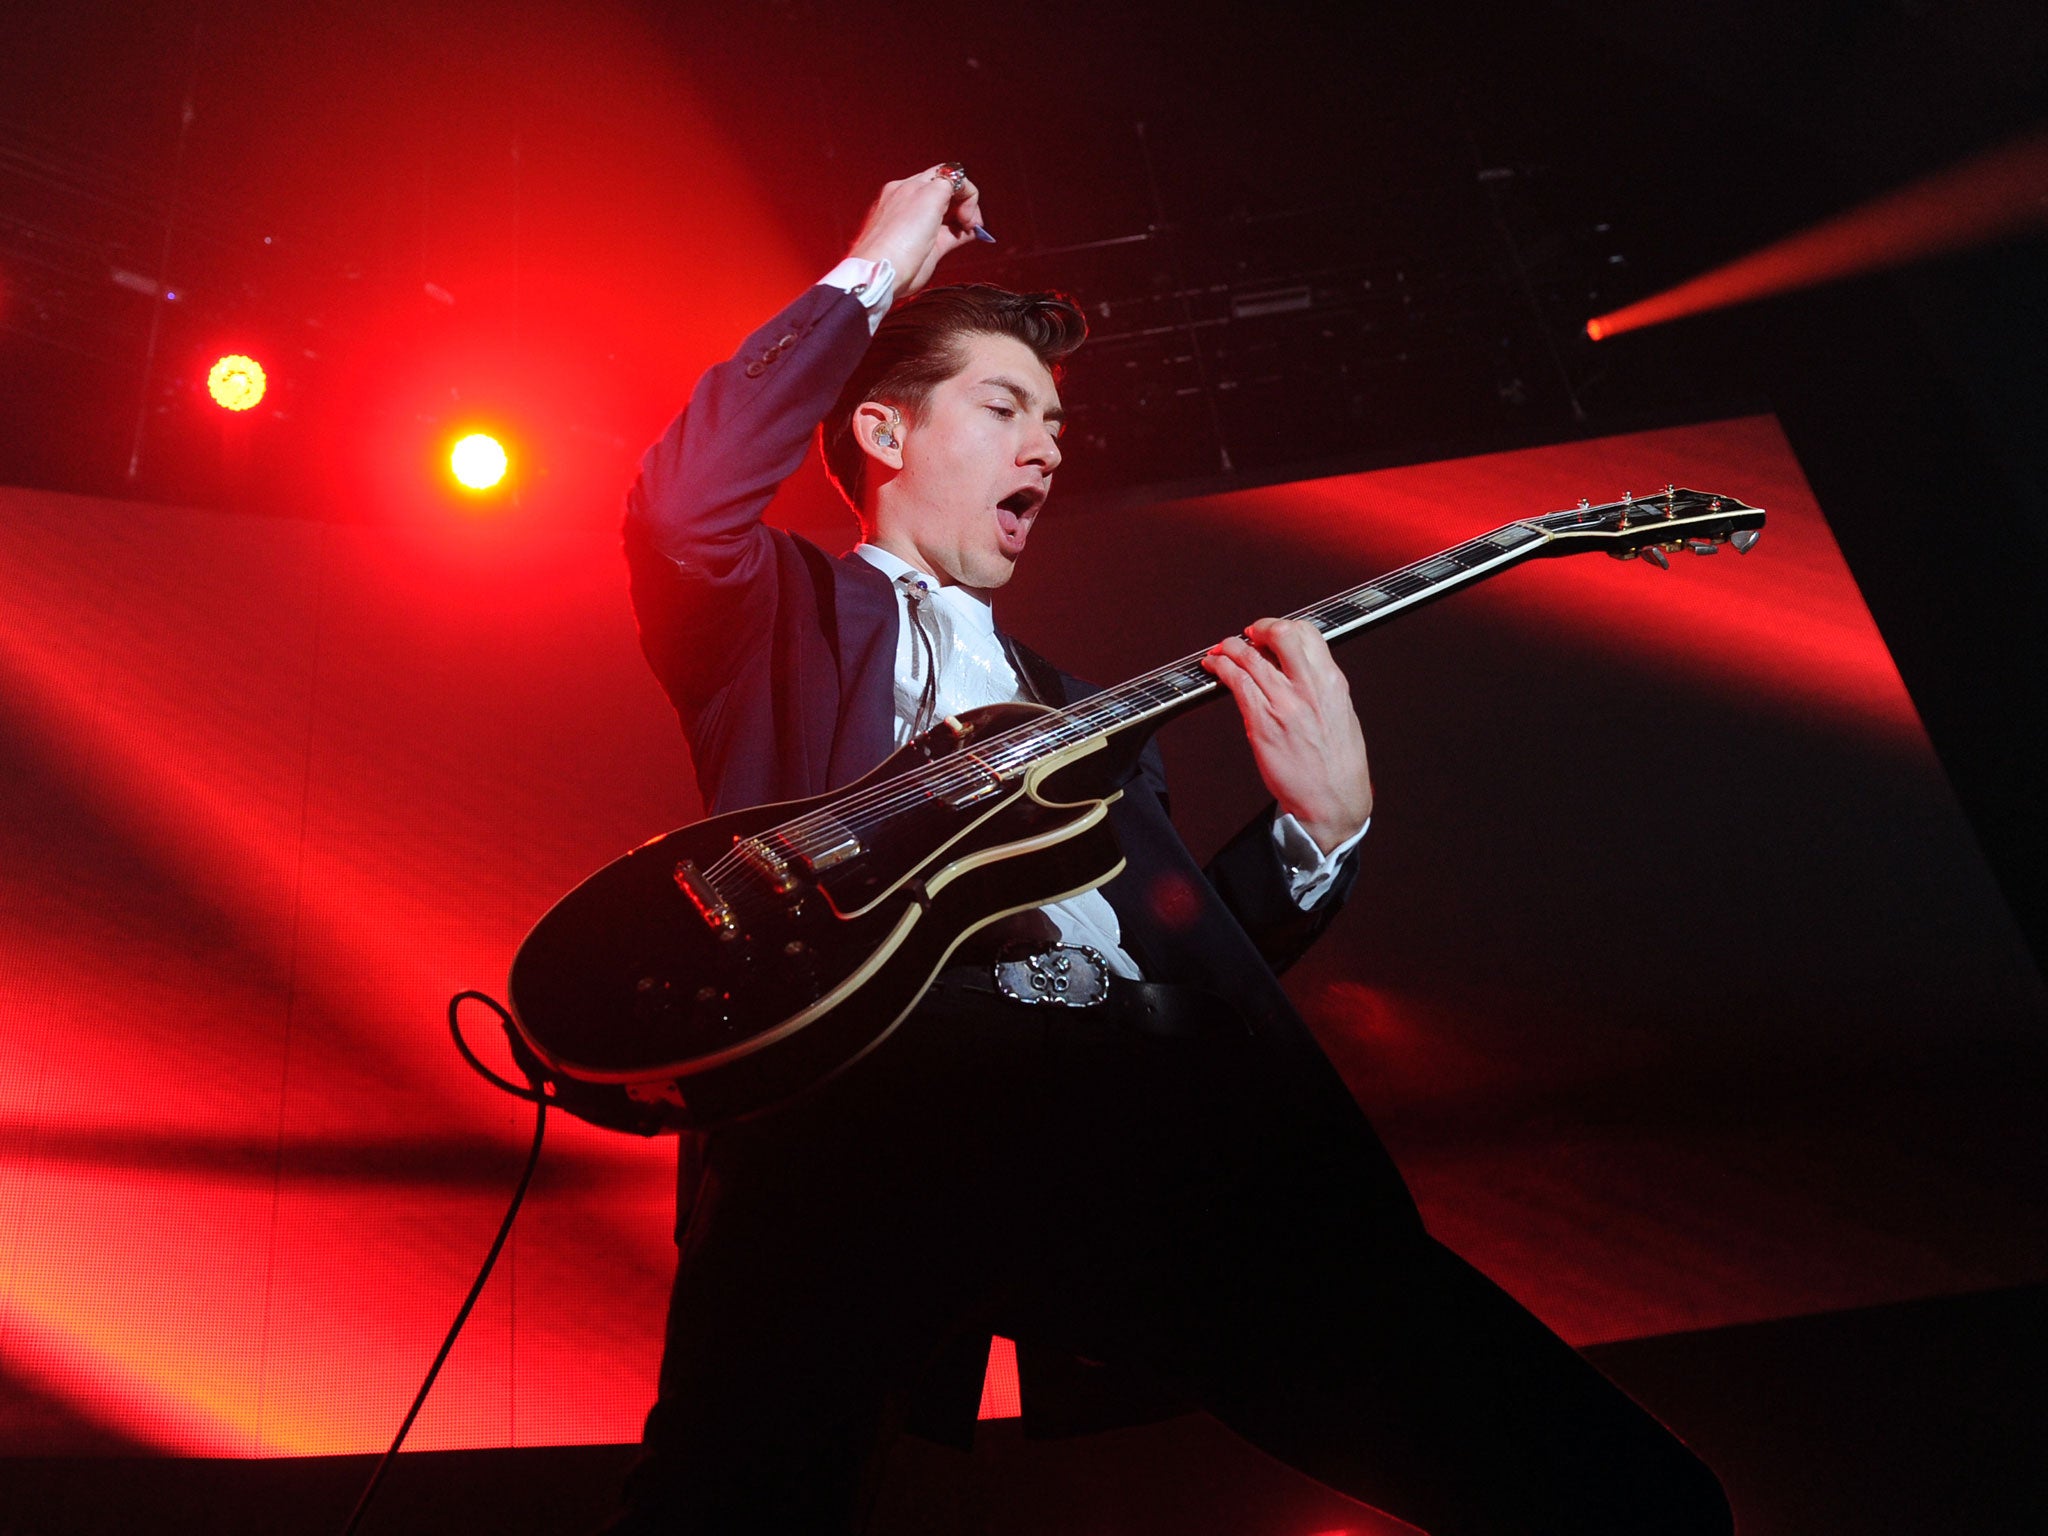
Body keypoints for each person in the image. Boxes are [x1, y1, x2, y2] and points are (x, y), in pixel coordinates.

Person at [610, 164, 1732, 1535]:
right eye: (1007, 407)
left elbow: (1196, 955)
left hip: (1129, 1121)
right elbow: (682, 507)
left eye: (1058, 421)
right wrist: (877, 264)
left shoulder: (1089, 716)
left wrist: (1317, 838)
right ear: (884, 434)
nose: (1050, 446)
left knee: (1618, 1497)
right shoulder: (773, 620)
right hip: (852, 1129)